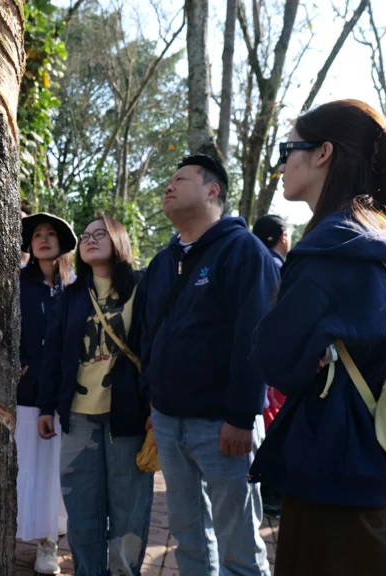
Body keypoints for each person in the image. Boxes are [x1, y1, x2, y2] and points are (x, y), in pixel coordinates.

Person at [249, 99, 386, 576]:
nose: (282, 163)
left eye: (288, 148)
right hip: (379, 458)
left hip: (329, 467)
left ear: (323, 154)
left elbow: (273, 357)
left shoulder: (328, 249)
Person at [141, 155, 278, 576]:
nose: (168, 185)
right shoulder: (164, 261)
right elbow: (149, 333)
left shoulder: (243, 250)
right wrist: (153, 403)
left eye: (180, 178)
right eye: (168, 179)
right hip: (167, 421)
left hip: (222, 425)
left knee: (238, 541)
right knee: (189, 538)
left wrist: (240, 415)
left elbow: (255, 337)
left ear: (212, 190)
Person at [37, 214, 153, 576]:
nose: (89, 239)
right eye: (85, 235)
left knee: (129, 512)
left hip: (128, 419)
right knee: (82, 514)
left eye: (99, 233)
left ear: (119, 239)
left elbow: (155, 349)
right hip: (79, 417)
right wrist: (45, 407)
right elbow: (52, 353)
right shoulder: (71, 295)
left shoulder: (142, 287)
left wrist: (155, 404)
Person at [17, 212, 76, 575]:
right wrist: (18, 362)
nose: (42, 238)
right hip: (24, 393)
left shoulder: (75, 287)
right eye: (36, 233)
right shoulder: (15, 283)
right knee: (24, 467)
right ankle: (12, 532)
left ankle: (48, 543)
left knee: (55, 471)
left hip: (64, 394)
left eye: (50, 233)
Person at [251, 214, 290, 518]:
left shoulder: (251, 260)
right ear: (282, 236)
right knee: (273, 421)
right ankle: (272, 492)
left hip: (255, 361)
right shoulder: (279, 268)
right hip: (273, 365)